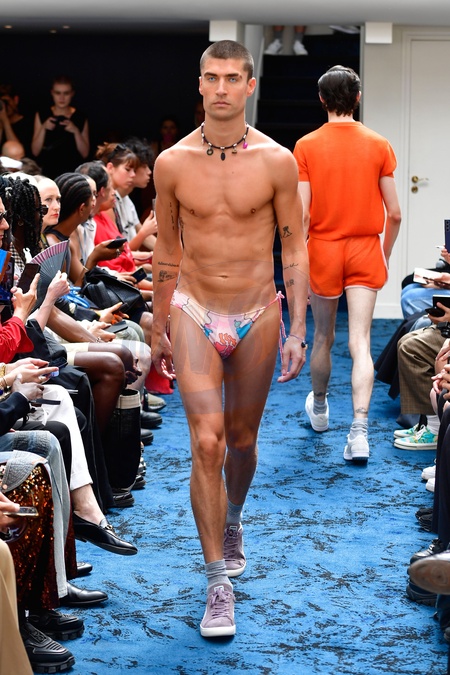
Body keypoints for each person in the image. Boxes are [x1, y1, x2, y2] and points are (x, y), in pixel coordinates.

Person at [151, 39, 309, 637]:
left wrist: (299, 328)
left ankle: (234, 517)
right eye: (211, 77)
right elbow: (167, 250)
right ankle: (217, 582)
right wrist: (158, 324)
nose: (221, 88)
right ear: (199, 84)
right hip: (194, 309)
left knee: (242, 443)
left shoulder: (277, 161)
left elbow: (294, 249)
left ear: (249, 85)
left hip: (257, 312)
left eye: (232, 78)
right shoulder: (171, 163)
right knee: (207, 443)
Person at [293, 65, 401, 462]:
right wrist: (382, 255)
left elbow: (303, 217)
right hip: (364, 247)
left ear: (322, 99)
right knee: (361, 341)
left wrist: (300, 267)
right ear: (357, 98)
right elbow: (396, 213)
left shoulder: (306, 145)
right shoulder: (379, 144)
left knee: (323, 336)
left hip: (323, 248)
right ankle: (359, 432)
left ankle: (320, 409)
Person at [31, 76, 89, 179]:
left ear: (72, 94)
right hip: (47, 171)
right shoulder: (42, 114)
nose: (62, 98)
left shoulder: (80, 117)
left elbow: (85, 153)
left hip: (72, 172)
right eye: (58, 93)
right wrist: (43, 128)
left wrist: (75, 131)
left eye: (66, 93)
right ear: (52, 93)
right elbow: (35, 151)